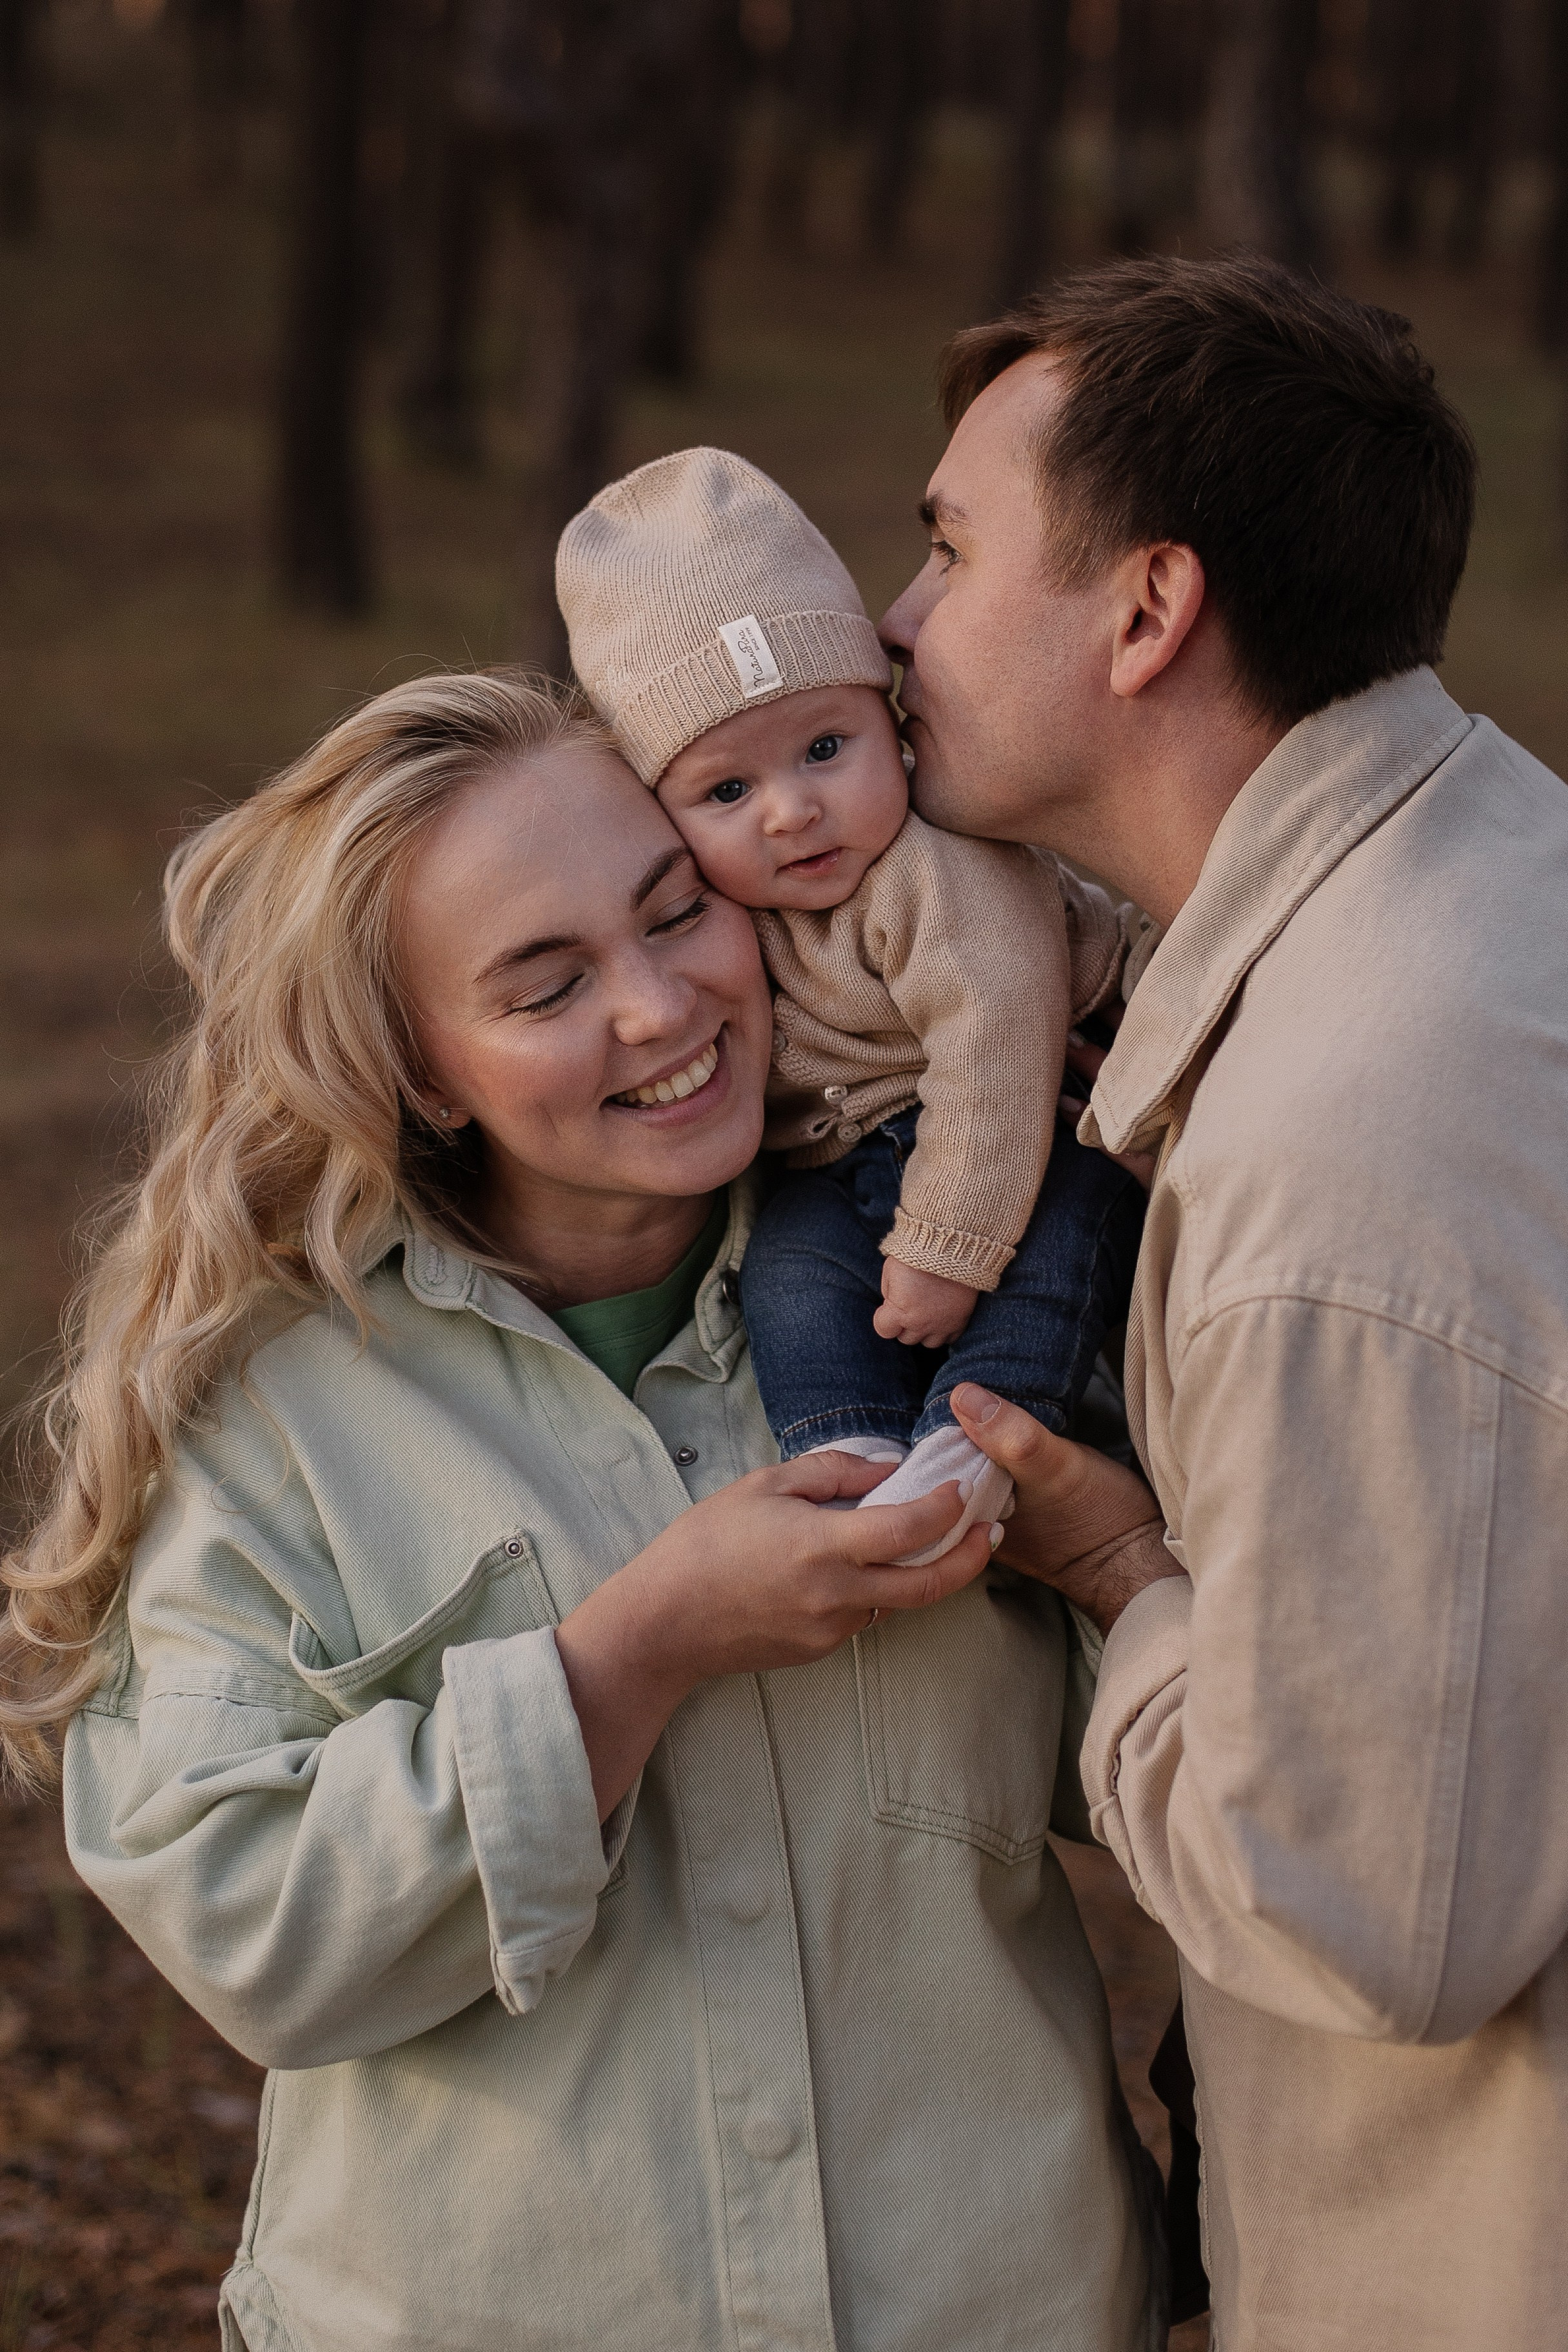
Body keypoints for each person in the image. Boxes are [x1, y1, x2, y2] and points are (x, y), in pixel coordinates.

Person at [2, 671, 1165, 2350]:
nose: (660, 1004)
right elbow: (245, 1920)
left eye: (676, 912)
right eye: (547, 984)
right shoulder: (276, 1414)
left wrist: (1108, 1546)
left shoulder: (965, 1287)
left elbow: (1192, 1781)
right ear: (423, 1069)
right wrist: (627, 1658)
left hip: (988, 2297)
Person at [879, 251, 1568, 2346]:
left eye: (948, 546)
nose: (894, 623)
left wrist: (1119, 1582)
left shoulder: (1345, 1134)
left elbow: (1377, 1914)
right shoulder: (1493, 868)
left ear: (1149, 607)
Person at [556, 446, 1145, 1562]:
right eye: (728, 791)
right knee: (787, 1272)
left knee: (1059, 1243)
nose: (793, 813)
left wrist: (946, 1244)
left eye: (828, 748)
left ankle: (985, 1430)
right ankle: (852, 1448)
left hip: (1026, 1115)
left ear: (894, 724)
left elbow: (997, 1034)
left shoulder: (937, 868)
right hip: (848, 1155)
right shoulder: (727, 908)